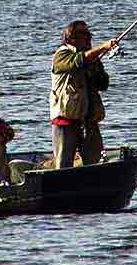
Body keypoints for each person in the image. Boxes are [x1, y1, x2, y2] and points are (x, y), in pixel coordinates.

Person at [50, 19, 119, 168]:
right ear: (71, 37)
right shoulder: (61, 55)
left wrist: (96, 66)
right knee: (63, 165)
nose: (88, 37)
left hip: (89, 120)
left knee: (95, 163)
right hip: (65, 120)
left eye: (88, 33)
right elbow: (77, 62)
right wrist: (103, 47)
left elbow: (103, 84)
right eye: (83, 34)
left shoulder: (91, 58)